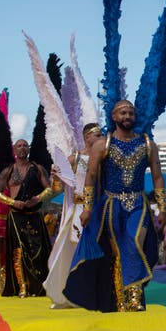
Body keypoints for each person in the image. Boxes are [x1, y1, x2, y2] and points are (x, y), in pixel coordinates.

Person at [65, 100, 166, 312]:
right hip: (111, 205)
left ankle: (135, 297)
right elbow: (91, 177)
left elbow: (157, 177)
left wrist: (163, 207)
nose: (127, 116)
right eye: (123, 113)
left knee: (134, 243)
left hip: (139, 204)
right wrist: (87, 208)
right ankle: (120, 298)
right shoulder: (102, 145)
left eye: (130, 113)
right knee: (118, 252)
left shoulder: (148, 144)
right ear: (114, 117)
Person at [43, 123, 103, 308]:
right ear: (87, 137)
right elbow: (57, 188)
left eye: (102, 134)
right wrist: (56, 176)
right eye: (97, 134)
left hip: (99, 210)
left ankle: (96, 292)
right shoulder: (76, 158)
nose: (101, 137)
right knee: (76, 250)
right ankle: (72, 292)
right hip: (79, 210)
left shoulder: (103, 157)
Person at [0, 139, 53, 298]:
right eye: (19, 146)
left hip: (34, 215)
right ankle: (22, 286)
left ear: (28, 149)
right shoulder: (7, 171)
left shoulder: (38, 169)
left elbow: (49, 189)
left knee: (38, 250)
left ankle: (40, 285)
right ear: (14, 149)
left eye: (25, 145)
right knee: (19, 250)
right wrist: (13, 202)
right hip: (15, 216)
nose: (22, 148)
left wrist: (38, 198)